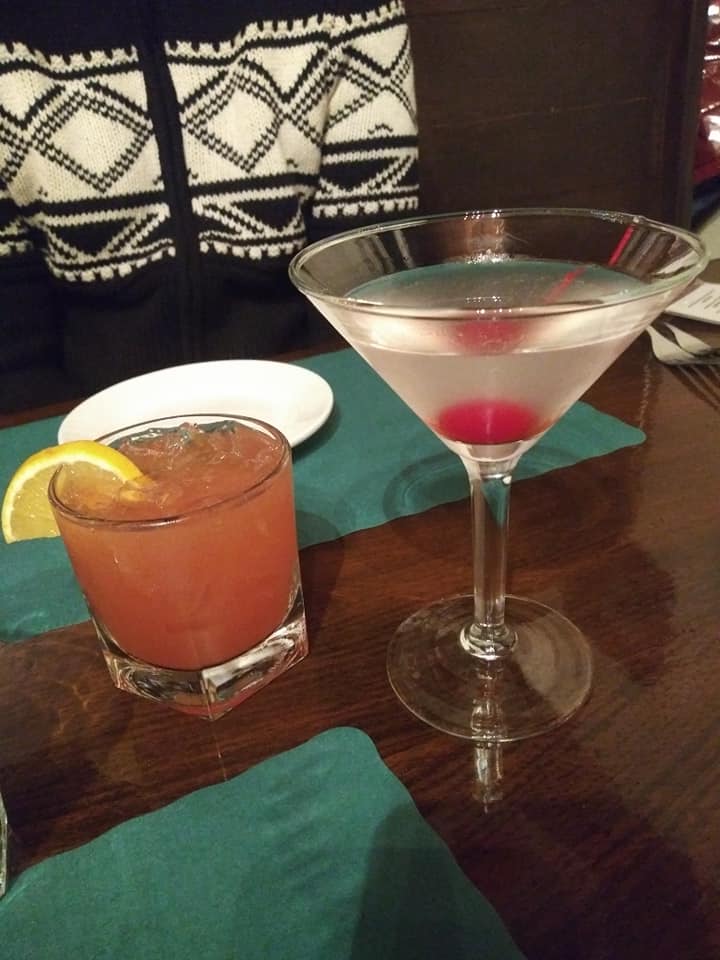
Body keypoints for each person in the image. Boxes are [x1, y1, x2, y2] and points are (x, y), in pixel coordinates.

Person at [0, 0, 419, 412]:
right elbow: (13, 344)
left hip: (313, 397)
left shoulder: (352, 11)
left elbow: (364, 282)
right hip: (81, 419)